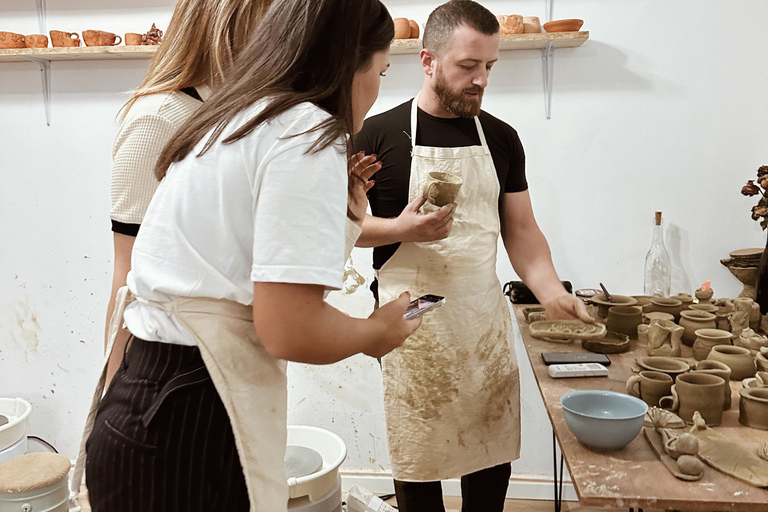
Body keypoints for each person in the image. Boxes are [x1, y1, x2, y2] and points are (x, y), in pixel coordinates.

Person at [82, 1, 417, 511]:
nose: (377, 90)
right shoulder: (306, 130)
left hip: (144, 396)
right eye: (382, 70)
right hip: (189, 412)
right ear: (348, 61)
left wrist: (342, 211)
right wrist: (377, 332)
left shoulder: (235, 117)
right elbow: (288, 327)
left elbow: (248, 262)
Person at [355, 1, 592, 511]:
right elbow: (343, 229)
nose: (481, 79)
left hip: (480, 319)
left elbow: (522, 231)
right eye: (467, 66)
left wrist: (551, 292)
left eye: (489, 67)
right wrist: (401, 228)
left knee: (489, 460)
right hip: (409, 320)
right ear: (428, 61)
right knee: (419, 462)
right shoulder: (376, 136)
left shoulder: (503, 139)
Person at [105, 0, 275, 386]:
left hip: (238, 346)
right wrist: (113, 391)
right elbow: (127, 271)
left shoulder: (238, 115)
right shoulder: (159, 117)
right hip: (170, 360)